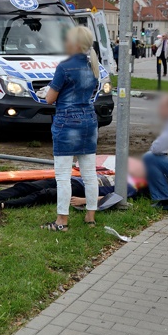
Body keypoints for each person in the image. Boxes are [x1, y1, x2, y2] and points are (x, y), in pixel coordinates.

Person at [40, 26, 101, 232]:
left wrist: (45, 92)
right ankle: (90, 217)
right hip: (89, 122)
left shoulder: (64, 67)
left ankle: (62, 221)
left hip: (67, 123)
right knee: (89, 174)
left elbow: (50, 98)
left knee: (63, 176)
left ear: (74, 44)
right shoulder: (94, 64)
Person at [0, 157, 146, 212]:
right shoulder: (126, 173)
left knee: (45, 194)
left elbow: (112, 197)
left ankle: (1, 205)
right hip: (76, 180)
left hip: (81, 188)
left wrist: (83, 201)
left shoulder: (133, 185)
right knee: (31, 185)